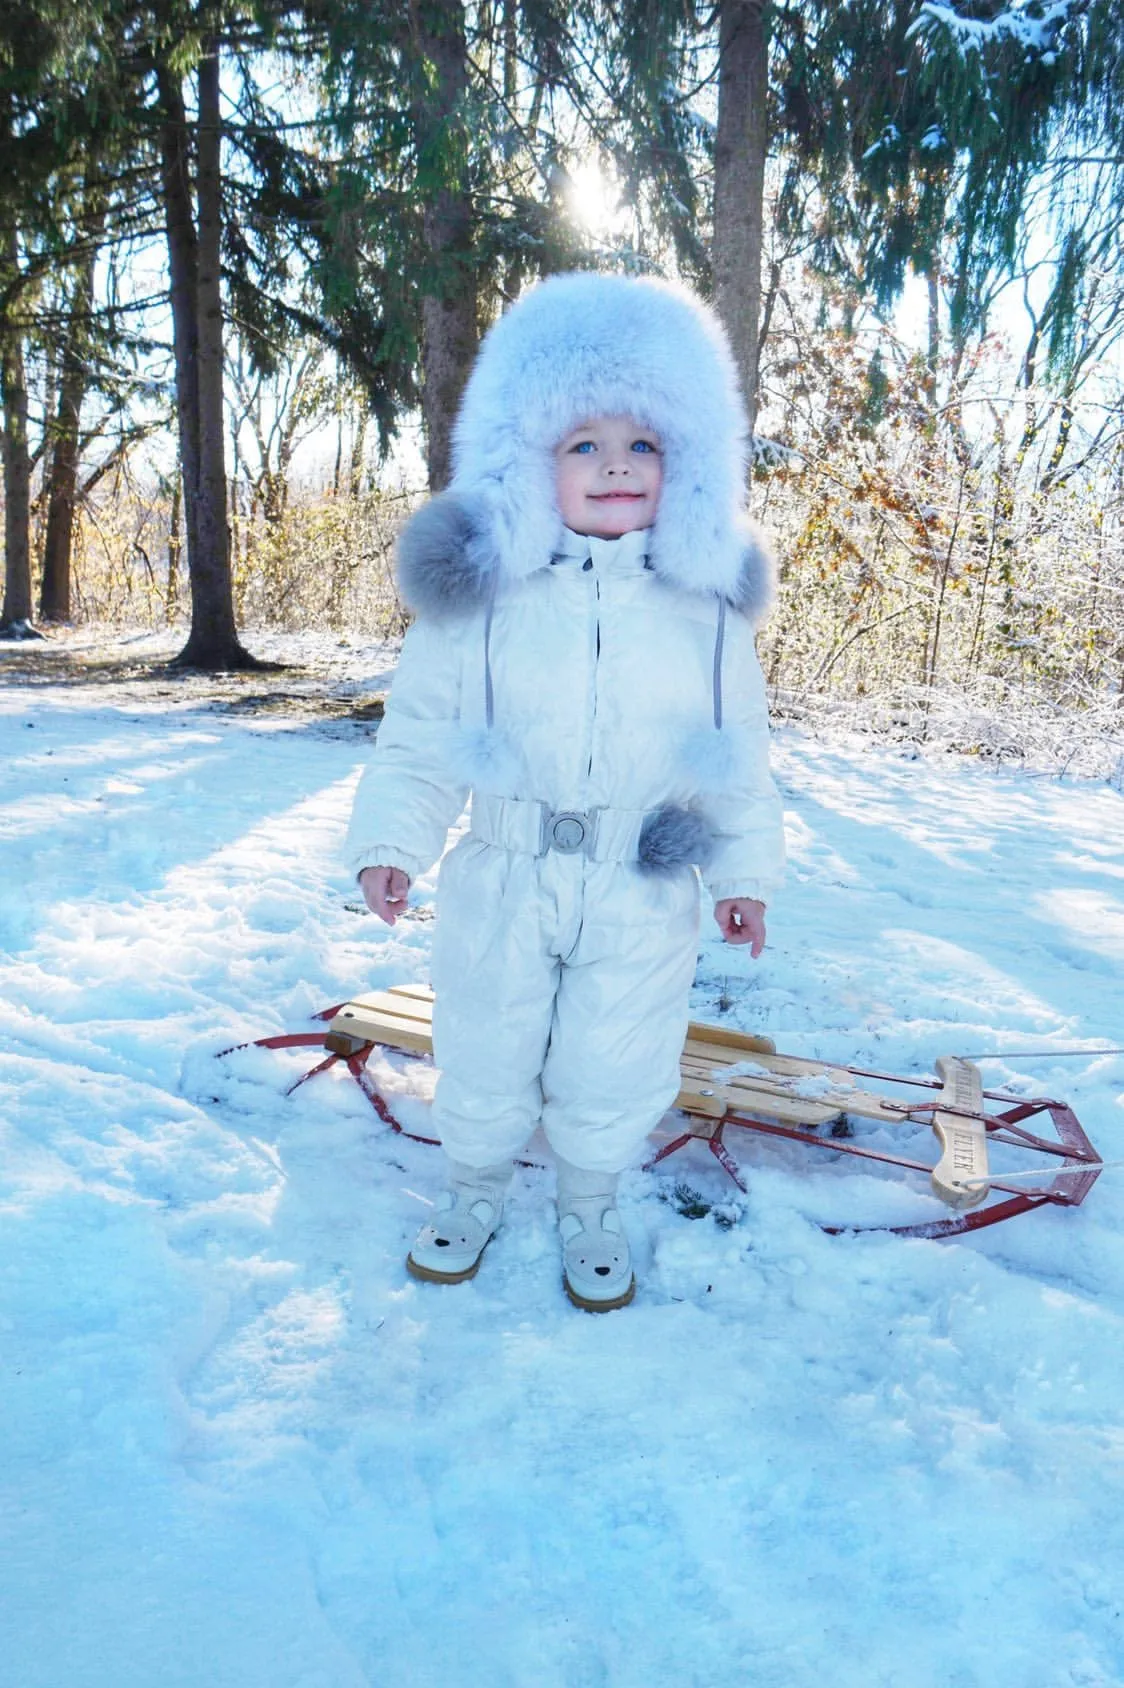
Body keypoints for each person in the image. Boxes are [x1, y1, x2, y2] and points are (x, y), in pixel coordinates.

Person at [344, 271, 785, 1311]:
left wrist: (744, 871)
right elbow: (418, 736)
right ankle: (473, 1182)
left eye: (641, 442)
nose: (615, 464)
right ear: (526, 456)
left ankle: (590, 1194)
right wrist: (392, 840)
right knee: (485, 1035)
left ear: (685, 464)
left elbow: (738, 752)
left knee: (615, 1050)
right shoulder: (483, 598)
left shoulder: (704, 607)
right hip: (503, 865)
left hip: (641, 880)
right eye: (582, 442)